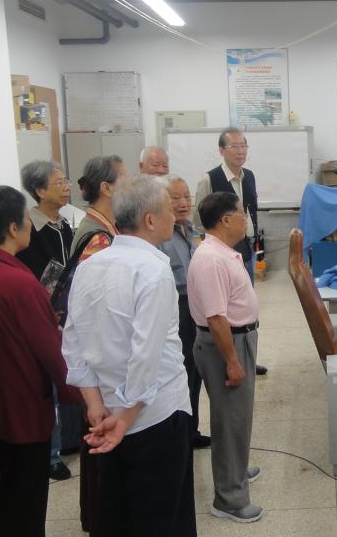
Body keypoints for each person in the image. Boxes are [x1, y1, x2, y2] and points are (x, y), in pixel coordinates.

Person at [63, 175, 195, 537]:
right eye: (169, 209)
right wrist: (125, 417)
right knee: (162, 516)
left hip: (105, 412)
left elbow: (72, 339)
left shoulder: (91, 265)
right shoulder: (153, 270)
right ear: (150, 219)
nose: (175, 215)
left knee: (116, 514)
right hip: (154, 416)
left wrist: (94, 403)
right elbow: (146, 354)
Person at [0, 186, 81, 537]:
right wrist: (84, 398)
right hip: (21, 413)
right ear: (12, 228)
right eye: (26, 218)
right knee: (24, 507)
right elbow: (52, 353)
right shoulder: (19, 283)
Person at [188, 191, 263, 523]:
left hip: (238, 340)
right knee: (230, 420)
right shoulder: (211, 260)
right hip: (225, 345)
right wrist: (232, 361)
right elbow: (216, 318)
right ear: (226, 220)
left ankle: (237, 470)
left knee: (238, 416)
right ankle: (229, 499)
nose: (246, 219)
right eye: (242, 214)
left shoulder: (223, 252)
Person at [69, 155, 125, 535]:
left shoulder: (105, 227)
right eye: (124, 179)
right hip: (101, 365)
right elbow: (100, 310)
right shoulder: (98, 237)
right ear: (106, 188)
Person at [15, 160, 76, 481]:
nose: (67, 187)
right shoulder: (29, 229)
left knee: (70, 376)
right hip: (41, 318)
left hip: (68, 315)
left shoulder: (64, 224)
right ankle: (51, 455)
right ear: (39, 190)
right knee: (47, 387)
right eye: (59, 183)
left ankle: (70, 440)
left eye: (67, 181)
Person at [192, 128, 267, 376]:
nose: (240, 150)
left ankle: (247, 356)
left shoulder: (250, 176)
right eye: (234, 146)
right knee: (221, 309)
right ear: (221, 150)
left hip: (244, 249)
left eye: (244, 145)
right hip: (220, 253)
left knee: (243, 305)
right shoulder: (209, 179)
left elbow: (250, 212)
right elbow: (199, 222)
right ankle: (229, 358)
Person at [158, 174, 211, 449]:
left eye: (186, 196)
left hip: (194, 305)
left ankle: (192, 429)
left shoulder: (189, 229)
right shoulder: (161, 236)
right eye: (175, 197)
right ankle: (182, 432)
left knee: (194, 370)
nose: (183, 203)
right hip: (176, 306)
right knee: (182, 370)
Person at [72, 155, 126, 260]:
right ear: (106, 188)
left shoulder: (104, 225)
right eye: (125, 179)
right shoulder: (98, 240)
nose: (130, 186)